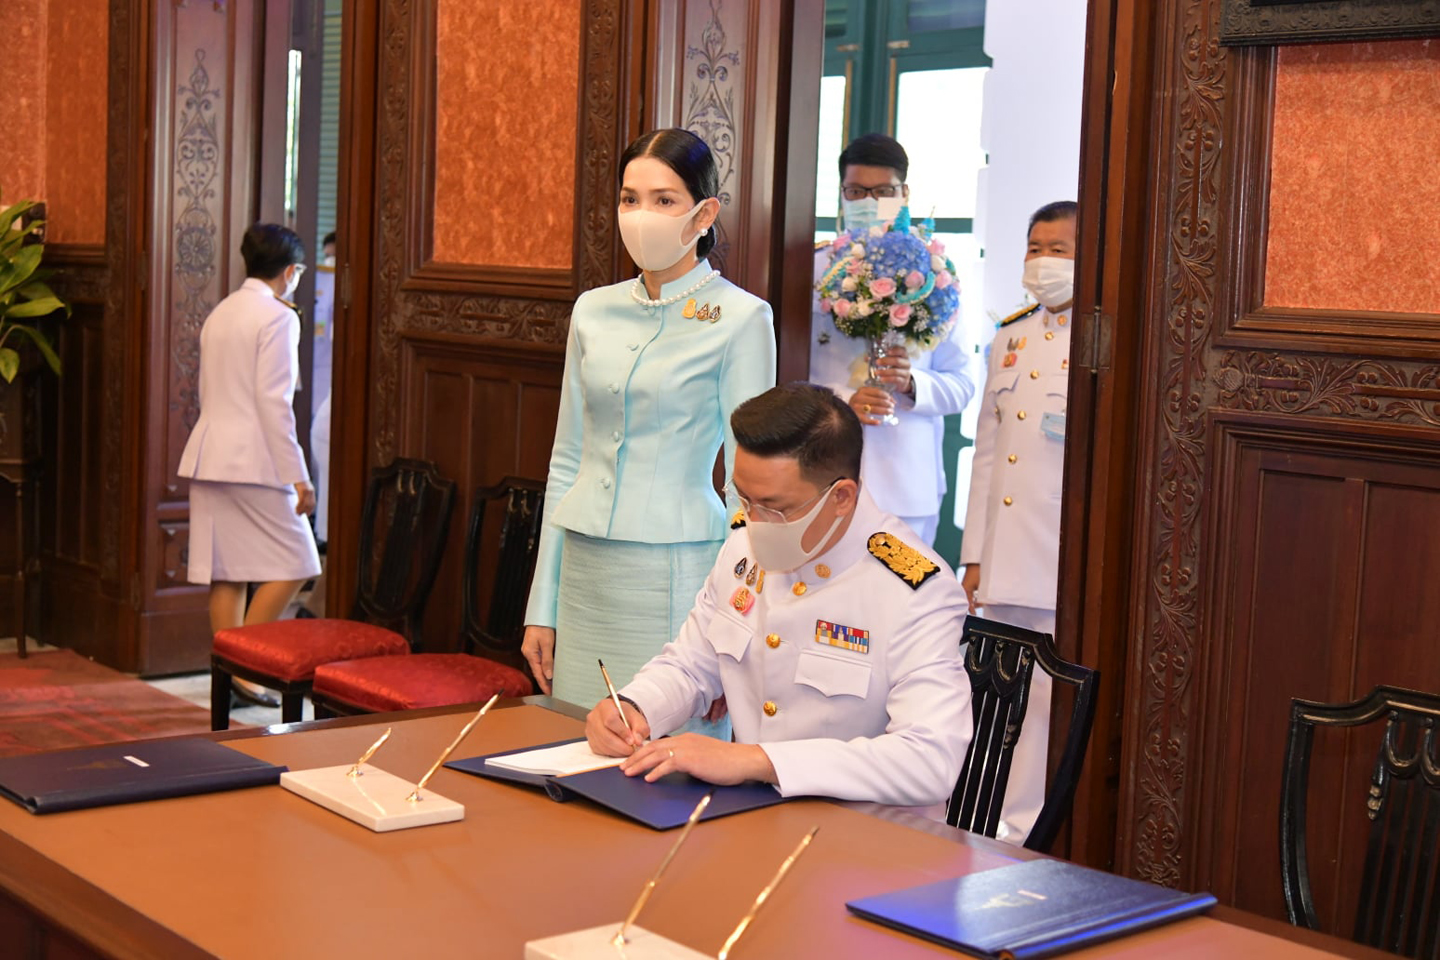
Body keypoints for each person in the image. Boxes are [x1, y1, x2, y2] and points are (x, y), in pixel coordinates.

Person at [585, 383, 971, 807]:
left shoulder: (915, 590)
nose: (754, 521)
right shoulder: (742, 548)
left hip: (861, 830)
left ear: (842, 497)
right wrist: (634, 707)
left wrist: (758, 761)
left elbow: (930, 760)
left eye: (775, 507)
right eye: (744, 499)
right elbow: (692, 665)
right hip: (750, 814)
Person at [521, 129, 777, 724]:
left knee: (664, 748)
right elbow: (567, 460)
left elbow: (749, 487)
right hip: (584, 568)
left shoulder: (742, 318)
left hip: (678, 571)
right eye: (629, 199)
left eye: (664, 200)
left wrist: (734, 627)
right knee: (576, 743)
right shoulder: (593, 308)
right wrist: (542, 606)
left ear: (704, 214)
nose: (641, 215)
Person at [958, 199, 1078, 842]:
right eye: (1035, 248)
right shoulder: (1011, 334)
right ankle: (979, 812)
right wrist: (975, 555)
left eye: (1059, 249)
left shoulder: (1098, 336)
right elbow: (987, 457)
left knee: (1044, 705)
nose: (1042, 260)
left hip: (1055, 557)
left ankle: (1026, 827)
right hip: (1003, 557)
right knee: (992, 689)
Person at [178, 224, 321, 709]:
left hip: (209, 453)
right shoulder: (278, 316)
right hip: (254, 460)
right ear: (290, 271)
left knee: (228, 571)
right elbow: (274, 403)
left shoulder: (221, 311)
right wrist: (299, 475)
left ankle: (232, 676)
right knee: (300, 561)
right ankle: (246, 668)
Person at [809, 134, 975, 545]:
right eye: (855, 191)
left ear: (904, 194)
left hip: (907, 482)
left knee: (906, 585)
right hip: (825, 474)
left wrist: (913, 383)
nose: (868, 202)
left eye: (883, 192)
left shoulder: (935, 273)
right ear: (842, 194)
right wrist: (842, 400)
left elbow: (962, 384)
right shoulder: (815, 269)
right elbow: (787, 371)